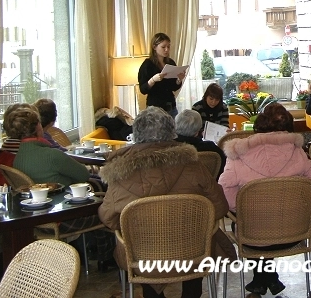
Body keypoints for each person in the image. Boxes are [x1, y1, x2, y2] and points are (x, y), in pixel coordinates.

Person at [99, 106, 232, 298]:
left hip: (143, 258)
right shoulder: (194, 164)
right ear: (172, 132)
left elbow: (108, 218)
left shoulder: (119, 173)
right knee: (202, 239)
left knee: (137, 245)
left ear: (136, 134)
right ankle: (192, 293)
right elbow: (220, 207)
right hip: (193, 253)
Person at [218, 103, 311, 296]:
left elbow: (223, 192)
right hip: (294, 233)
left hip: (252, 236)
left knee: (249, 221)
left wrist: (242, 208)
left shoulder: (238, 154)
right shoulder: (299, 153)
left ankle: (261, 279)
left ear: (260, 123)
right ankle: (269, 277)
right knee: (268, 220)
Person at [8, 105, 115, 270]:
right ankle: (106, 257)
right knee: (106, 210)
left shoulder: (18, 158)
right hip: (62, 219)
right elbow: (82, 175)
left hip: (37, 219)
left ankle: (91, 251)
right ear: (38, 127)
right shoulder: (52, 155)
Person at [11, 105, 91, 185]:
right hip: (65, 192)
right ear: (38, 126)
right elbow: (84, 175)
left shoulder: (16, 159)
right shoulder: (53, 155)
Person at [138, 32, 186, 117]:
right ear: (154, 47)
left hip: (171, 106)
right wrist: (153, 80)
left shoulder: (170, 62)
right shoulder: (147, 64)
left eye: (168, 46)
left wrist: (179, 80)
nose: (166, 49)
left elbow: (173, 87)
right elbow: (143, 89)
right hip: (155, 108)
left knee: (174, 125)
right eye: (163, 47)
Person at [175, 109, 227, 178]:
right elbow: (224, 166)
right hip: (207, 182)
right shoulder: (210, 148)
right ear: (198, 130)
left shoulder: (168, 147)